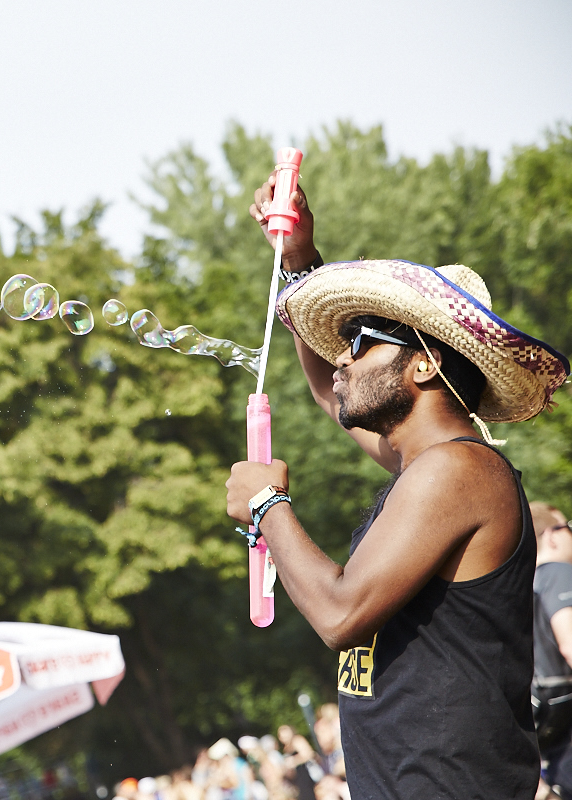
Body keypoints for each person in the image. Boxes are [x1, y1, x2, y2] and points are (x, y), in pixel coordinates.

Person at [225, 174, 570, 799]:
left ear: (425, 363)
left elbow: (341, 615)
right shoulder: (428, 467)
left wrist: (267, 506)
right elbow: (330, 393)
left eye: (362, 342)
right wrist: (299, 260)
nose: (343, 358)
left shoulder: (459, 471)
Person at [533, 502, 572, 793]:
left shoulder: (523, 581)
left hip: (533, 703)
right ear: (551, 535)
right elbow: (570, 642)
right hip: (558, 699)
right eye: (567, 527)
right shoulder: (558, 572)